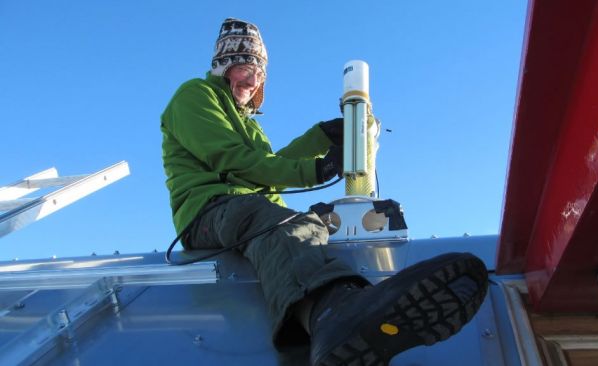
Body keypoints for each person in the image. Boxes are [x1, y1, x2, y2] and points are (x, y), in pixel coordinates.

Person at [161, 17, 488, 366]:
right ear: (223, 66)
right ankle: (336, 315)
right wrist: (315, 169)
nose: (253, 78)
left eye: (259, 70)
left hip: (248, 212)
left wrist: (319, 137)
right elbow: (233, 160)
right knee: (284, 226)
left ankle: (337, 327)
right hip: (209, 212)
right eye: (244, 65)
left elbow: (268, 166)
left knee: (309, 229)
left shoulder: (250, 126)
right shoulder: (195, 95)